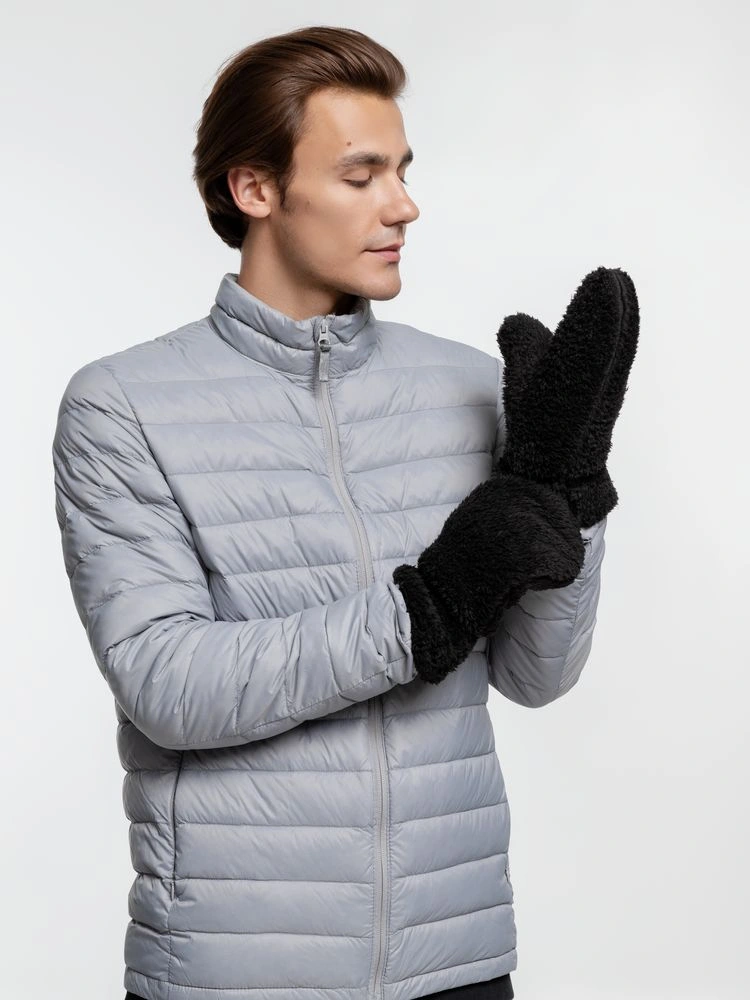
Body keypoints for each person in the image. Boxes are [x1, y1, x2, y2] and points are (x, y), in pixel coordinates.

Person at [52, 25, 621, 1000]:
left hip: (458, 960)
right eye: (361, 175)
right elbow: (167, 682)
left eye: (401, 170)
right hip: (237, 973)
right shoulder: (123, 406)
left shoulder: (466, 386)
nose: (403, 204)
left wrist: (573, 498)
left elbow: (537, 674)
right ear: (255, 189)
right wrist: (424, 608)